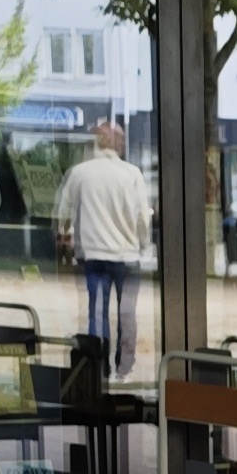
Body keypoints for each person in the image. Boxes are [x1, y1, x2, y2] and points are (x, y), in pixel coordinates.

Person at [51, 121, 152, 375]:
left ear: (95, 141)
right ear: (119, 143)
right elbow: (143, 217)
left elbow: (63, 214)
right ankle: (124, 367)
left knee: (97, 313)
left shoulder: (79, 173)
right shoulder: (132, 174)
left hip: (93, 254)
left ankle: (99, 366)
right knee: (127, 314)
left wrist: (66, 238)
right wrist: (143, 243)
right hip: (126, 256)